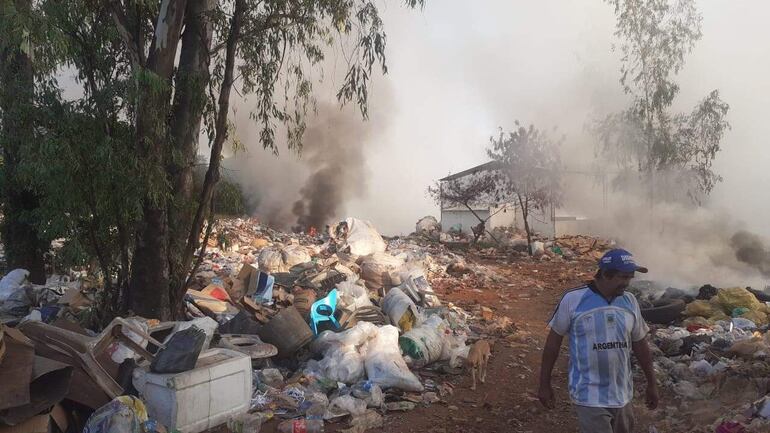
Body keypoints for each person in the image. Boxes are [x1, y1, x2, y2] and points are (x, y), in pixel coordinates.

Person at [537, 248, 658, 433]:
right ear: (606, 274)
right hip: (589, 394)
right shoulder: (573, 299)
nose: (627, 283)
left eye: (629, 277)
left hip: (622, 394)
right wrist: (544, 384)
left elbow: (640, 344)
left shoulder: (630, 301)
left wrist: (652, 383)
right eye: (623, 277)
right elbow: (553, 344)